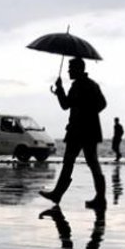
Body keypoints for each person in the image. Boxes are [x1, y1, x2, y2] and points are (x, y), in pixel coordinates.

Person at [39, 57, 107, 209]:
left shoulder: (83, 86)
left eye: (71, 69)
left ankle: (60, 194)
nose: (68, 71)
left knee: (78, 162)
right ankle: (98, 198)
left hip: (80, 130)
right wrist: (60, 90)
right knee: (81, 162)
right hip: (83, 131)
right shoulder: (85, 85)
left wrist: (86, 112)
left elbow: (69, 105)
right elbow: (68, 104)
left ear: (78, 69)